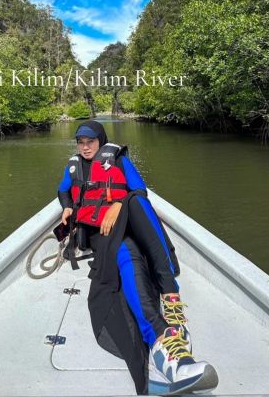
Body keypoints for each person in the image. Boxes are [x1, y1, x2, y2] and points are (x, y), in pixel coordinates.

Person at [58, 120, 218, 395]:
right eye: (81, 143)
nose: (85, 148)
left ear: (100, 141)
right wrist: (69, 207)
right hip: (100, 234)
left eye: (90, 142)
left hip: (124, 223)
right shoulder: (73, 166)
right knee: (129, 257)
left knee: (134, 203)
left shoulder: (117, 159)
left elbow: (138, 189)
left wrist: (117, 204)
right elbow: (63, 190)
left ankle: (169, 297)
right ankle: (163, 343)